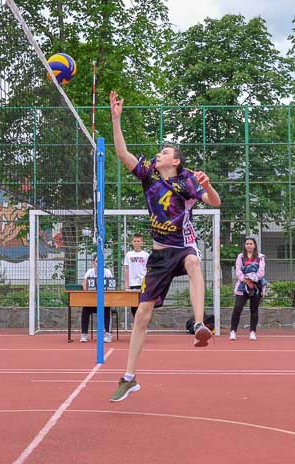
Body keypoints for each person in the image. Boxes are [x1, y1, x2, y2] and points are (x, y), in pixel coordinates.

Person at [109, 90, 222, 402]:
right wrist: (116, 120)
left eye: (164, 152)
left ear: (176, 160)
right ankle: (129, 378)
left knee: (195, 263)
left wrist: (209, 185)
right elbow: (123, 154)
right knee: (142, 313)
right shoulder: (149, 177)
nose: (158, 154)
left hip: (183, 246)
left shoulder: (187, 182)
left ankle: (199, 322)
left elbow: (216, 203)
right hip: (159, 254)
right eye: (158, 152)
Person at [229, 238, 267, 341]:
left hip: (256, 286)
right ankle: (233, 331)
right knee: (237, 308)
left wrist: (252, 279)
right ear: (244, 245)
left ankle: (252, 332)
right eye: (247, 244)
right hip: (242, 286)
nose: (249, 245)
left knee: (254, 309)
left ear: (254, 245)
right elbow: (238, 270)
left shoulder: (260, 257)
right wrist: (246, 280)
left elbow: (261, 272)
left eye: (251, 243)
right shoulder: (240, 257)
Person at [80, 255, 115, 343]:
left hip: (104, 302)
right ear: (93, 263)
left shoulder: (107, 272)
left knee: (107, 309)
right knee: (85, 310)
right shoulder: (89, 272)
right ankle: (84, 334)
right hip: (92, 301)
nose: (98, 263)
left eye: (100, 262)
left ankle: (108, 333)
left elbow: (111, 286)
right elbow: (84, 284)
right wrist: (88, 290)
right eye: (96, 261)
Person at [123, 233, 149, 318]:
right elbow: (127, 270)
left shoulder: (146, 255)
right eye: (135, 241)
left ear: (142, 242)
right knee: (133, 305)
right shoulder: (129, 255)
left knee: (142, 305)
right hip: (132, 283)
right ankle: (136, 324)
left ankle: (143, 326)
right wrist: (126, 285)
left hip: (143, 283)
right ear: (132, 242)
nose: (137, 243)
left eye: (138, 241)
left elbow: (148, 270)